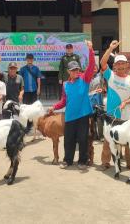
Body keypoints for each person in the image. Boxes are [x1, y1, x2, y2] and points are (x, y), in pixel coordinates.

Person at [48, 40, 95, 170]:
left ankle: (82, 161)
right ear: (68, 71)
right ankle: (67, 160)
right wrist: (54, 107)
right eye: (73, 70)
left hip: (83, 115)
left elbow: (91, 66)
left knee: (82, 139)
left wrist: (90, 50)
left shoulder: (85, 79)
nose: (75, 72)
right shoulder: (66, 85)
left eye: (77, 70)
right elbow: (63, 101)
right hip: (69, 116)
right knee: (68, 140)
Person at [99, 40, 130, 171]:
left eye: (123, 63)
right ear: (115, 65)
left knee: (128, 140)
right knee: (107, 139)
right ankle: (105, 162)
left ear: (127, 65)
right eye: (118, 63)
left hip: (126, 115)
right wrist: (110, 48)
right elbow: (102, 63)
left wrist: (126, 102)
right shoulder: (110, 75)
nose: (121, 66)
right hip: (111, 115)